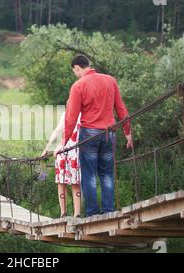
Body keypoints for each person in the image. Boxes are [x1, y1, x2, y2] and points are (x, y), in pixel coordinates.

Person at [55, 55, 133, 217]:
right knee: (107, 174)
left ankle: (92, 213)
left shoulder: (78, 86)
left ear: (77, 67)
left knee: (89, 175)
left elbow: (71, 117)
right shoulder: (110, 80)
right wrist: (128, 133)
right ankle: (108, 211)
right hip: (109, 134)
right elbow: (121, 108)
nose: (75, 74)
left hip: (89, 135)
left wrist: (64, 142)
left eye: (74, 71)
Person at [42, 109, 81, 218]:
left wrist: (47, 148)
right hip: (75, 153)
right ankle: (77, 213)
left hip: (62, 151)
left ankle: (63, 213)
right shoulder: (83, 114)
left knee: (61, 182)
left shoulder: (66, 114)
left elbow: (57, 131)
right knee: (75, 183)